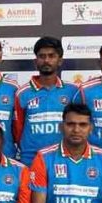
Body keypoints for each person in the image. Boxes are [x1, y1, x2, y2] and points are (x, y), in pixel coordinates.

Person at [14, 37, 79, 165]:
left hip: (64, 160)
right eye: (42, 56)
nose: (46, 60)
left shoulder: (73, 91)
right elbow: (17, 131)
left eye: (51, 56)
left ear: (60, 61)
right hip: (31, 160)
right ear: (35, 61)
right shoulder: (22, 93)